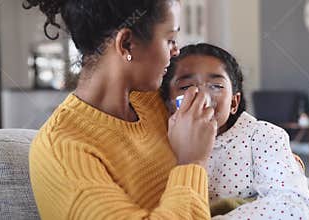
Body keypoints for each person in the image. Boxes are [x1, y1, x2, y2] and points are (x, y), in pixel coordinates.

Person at [24, 0, 217, 219]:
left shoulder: (153, 100)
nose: (176, 51)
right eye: (170, 39)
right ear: (126, 44)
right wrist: (191, 162)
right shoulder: (62, 150)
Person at [161, 43, 309, 219]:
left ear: (234, 103)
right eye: (185, 87)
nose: (202, 95)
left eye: (216, 86)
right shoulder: (160, 144)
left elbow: (294, 205)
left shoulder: (262, 137)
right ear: (168, 105)